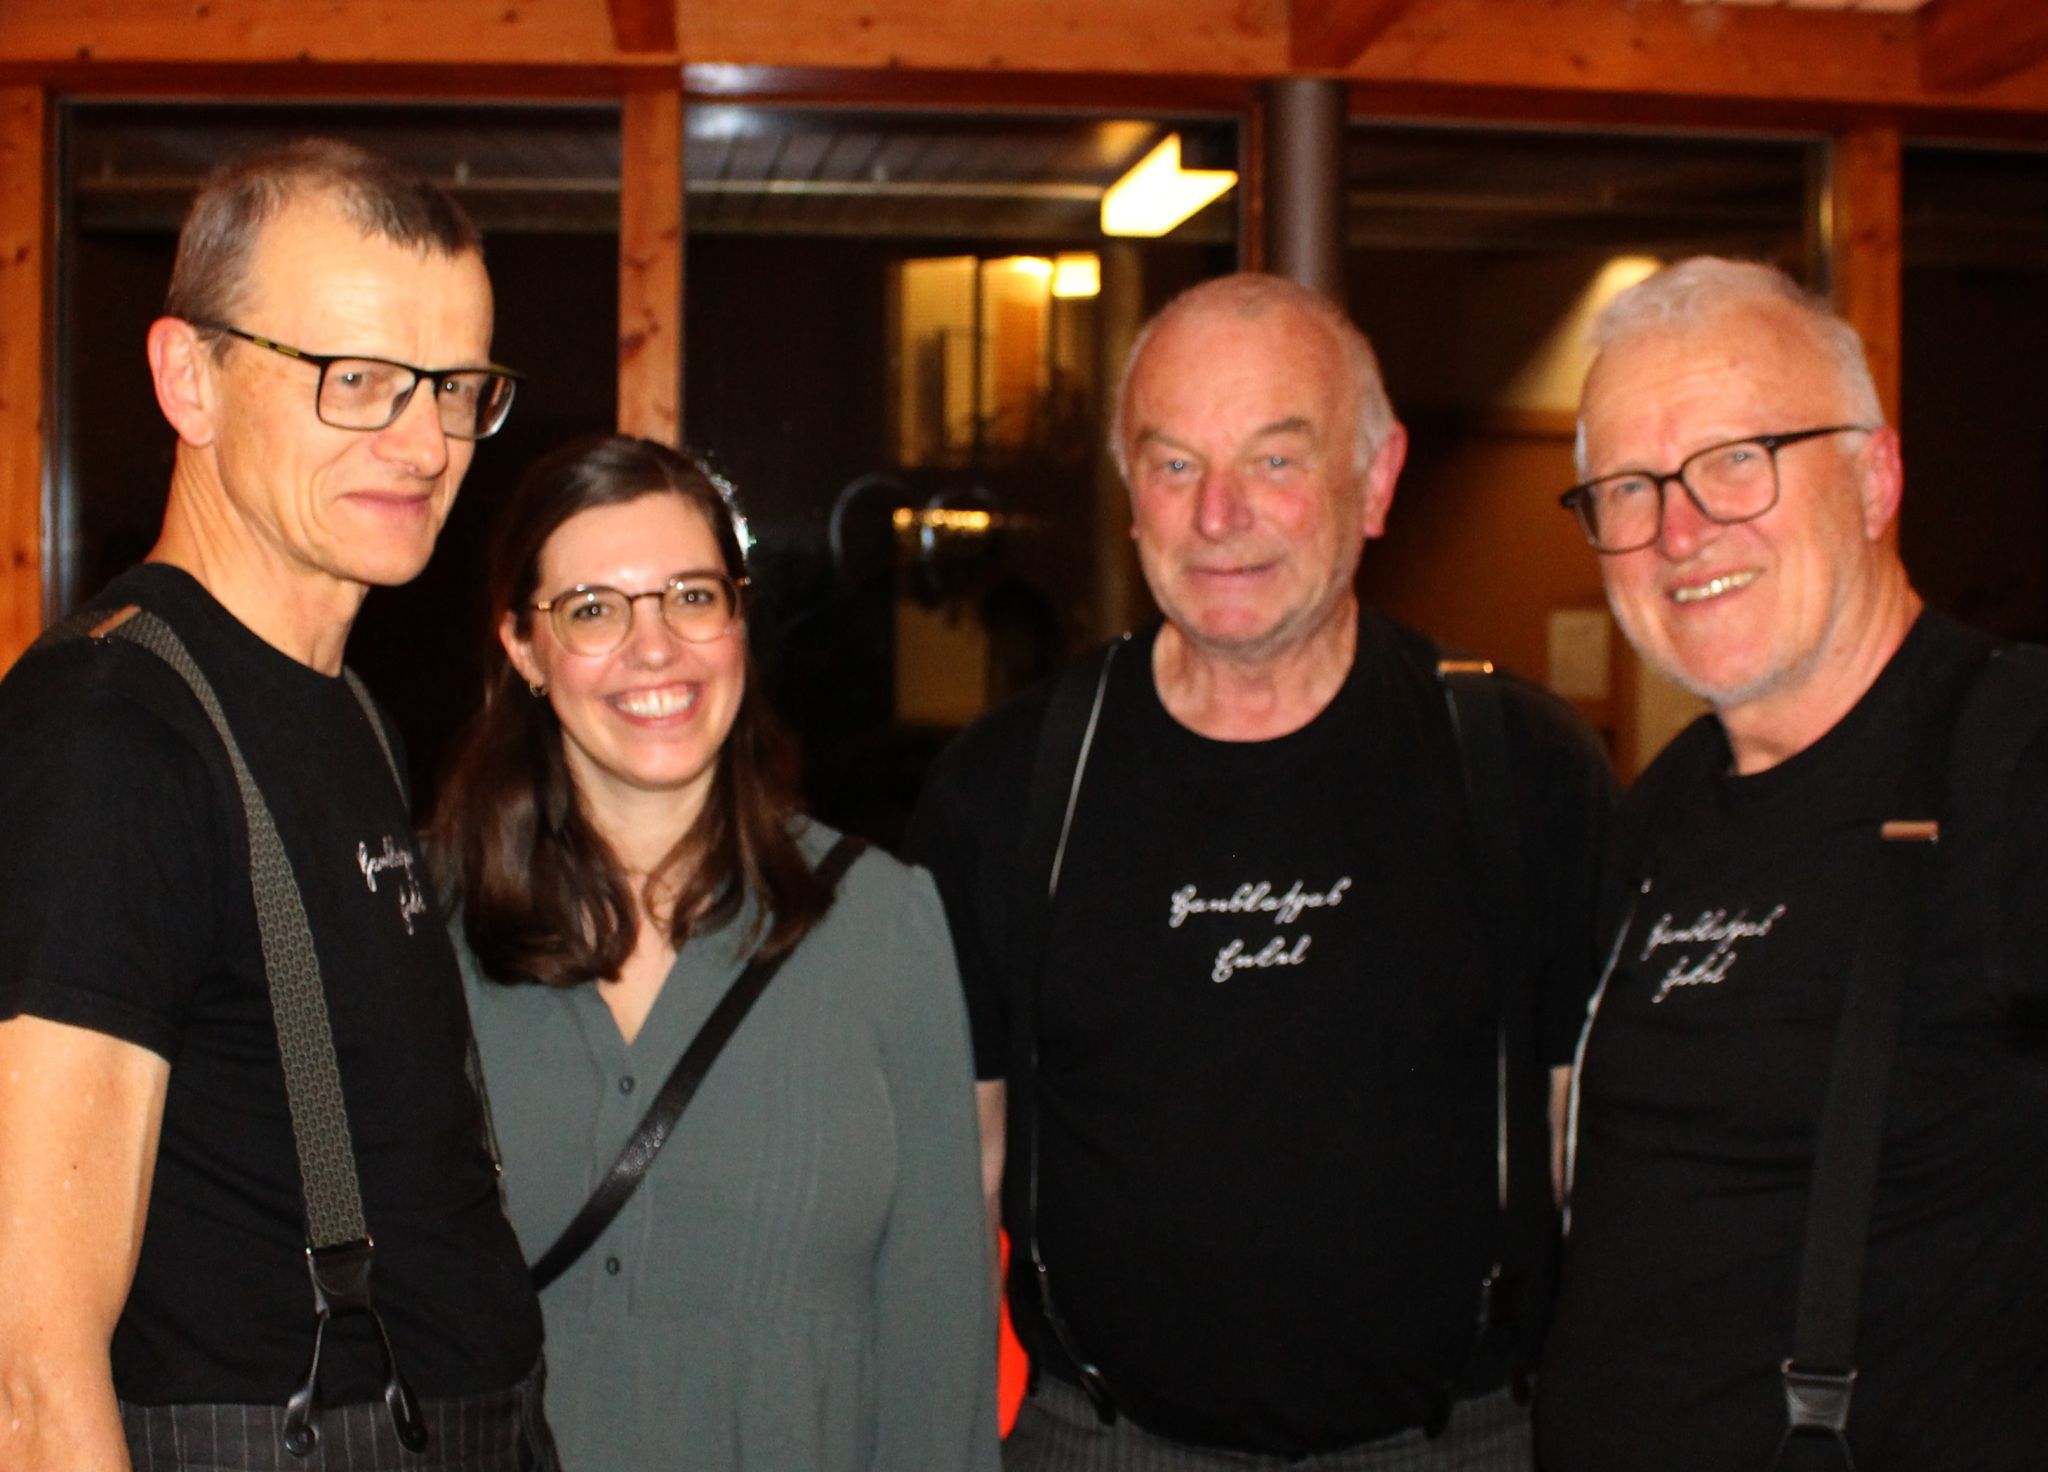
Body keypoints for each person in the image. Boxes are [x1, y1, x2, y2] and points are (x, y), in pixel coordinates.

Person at [906, 273, 1613, 1469]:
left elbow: (1582, 1154)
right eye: (1174, 465)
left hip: (1459, 1444)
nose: (1216, 514)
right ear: (1131, 494)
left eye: (1274, 462)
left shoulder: (1521, 767)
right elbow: (957, 1175)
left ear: (1375, 477)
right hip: (1101, 1446)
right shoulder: (1011, 782)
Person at [0, 140, 552, 1471]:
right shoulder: (110, 731)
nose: (422, 443)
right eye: (355, 381)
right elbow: (26, 1365)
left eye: (456, 388)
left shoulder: (343, 704)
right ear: (190, 376)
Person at [1536, 257, 2048, 1471]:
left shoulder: (2015, 762)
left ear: (1873, 478)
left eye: (1733, 460)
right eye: (1625, 487)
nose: (1676, 529)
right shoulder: (1657, 814)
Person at [432, 433, 999, 1472]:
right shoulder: (424, 930)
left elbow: (939, 1350)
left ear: (738, 617)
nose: (654, 649)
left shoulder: (884, 924)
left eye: (690, 596)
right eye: (594, 609)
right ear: (522, 645)